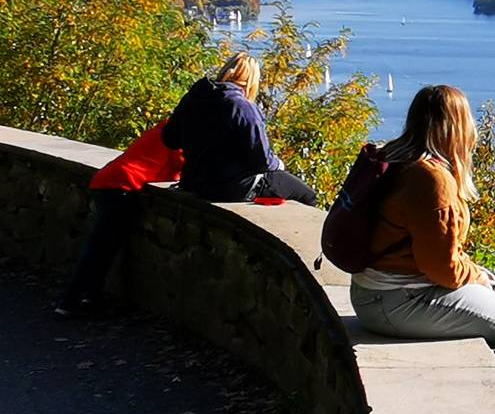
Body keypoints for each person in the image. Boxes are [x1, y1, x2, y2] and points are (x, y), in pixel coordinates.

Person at [350, 85, 495, 414]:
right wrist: (478, 276)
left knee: (491, 301)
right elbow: (442, 270)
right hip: (396, 303)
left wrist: (474, 275)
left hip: (369, 293)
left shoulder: (394, 158)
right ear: (457, 127)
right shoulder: (431, 179)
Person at [55, 116, 186, 317]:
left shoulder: (161, 130)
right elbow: (178, 171)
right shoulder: (178, 138)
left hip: (107, 182)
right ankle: (70, 301)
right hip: (121, 187)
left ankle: (90, 297)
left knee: (104, 247)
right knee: (99, 249)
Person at [164, 53, 316, 203]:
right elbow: (262, 161)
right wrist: (279, 164)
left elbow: (170, 139)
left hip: (194, 182)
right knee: (307, 195)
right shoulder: (243, 108)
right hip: (230, 188)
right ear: (251, 82)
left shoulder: (193, 98)